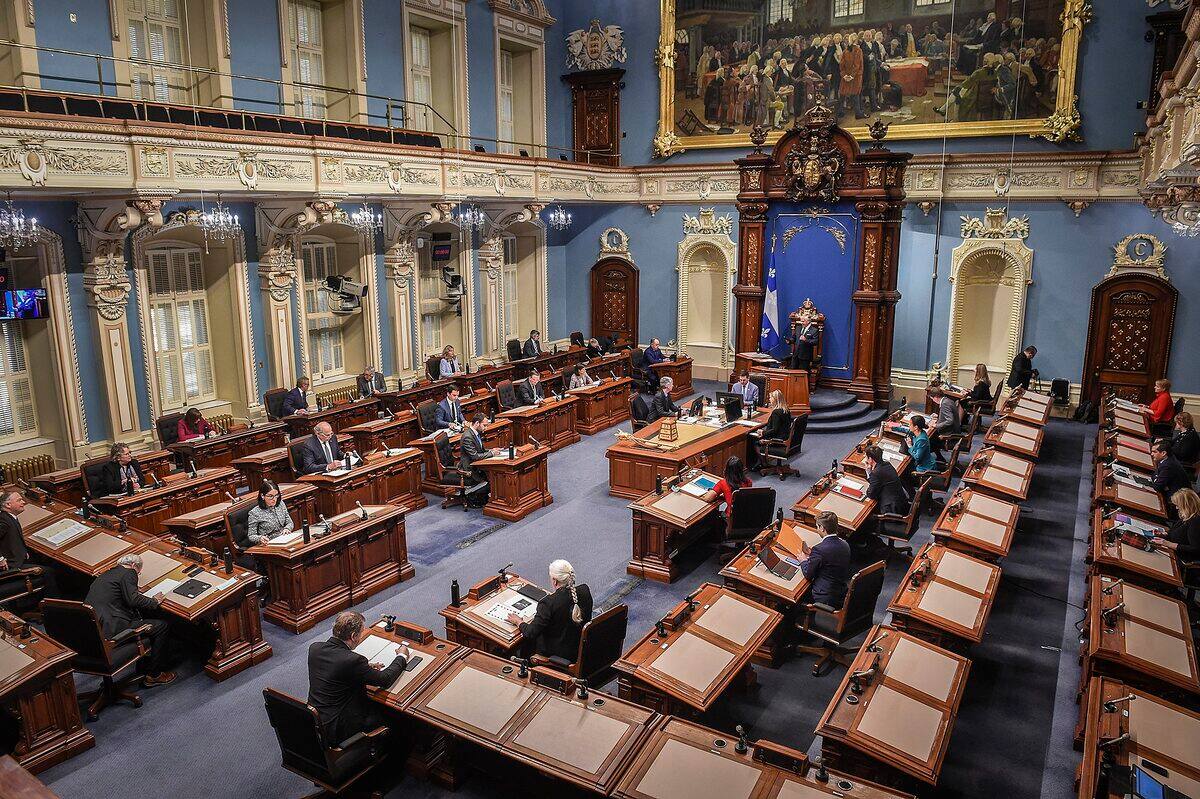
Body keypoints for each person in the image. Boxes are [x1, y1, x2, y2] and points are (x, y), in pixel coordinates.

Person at [307, 611, 409, 744]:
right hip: (340, 727)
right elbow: (385, 679)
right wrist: (402, 656)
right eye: (361, 633)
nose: (361, 637)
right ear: (353, 636)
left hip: (317, 720)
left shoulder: (315, 649)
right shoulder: (352, 661)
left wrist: (365, 668)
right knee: (399, 716)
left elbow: (334, 667)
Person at [85, 554, 175, 686]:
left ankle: (144, 665)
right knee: (162, 626)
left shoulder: (105, 575)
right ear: (133, 565)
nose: (137, 575)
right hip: (115, 629)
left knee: (142, 619)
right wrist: (154, 601)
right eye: (138, 573)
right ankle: (154, 675)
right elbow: (133, 599)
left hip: (98, 630)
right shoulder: (129, 572)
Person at [507, 559, 593, 662]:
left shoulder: (548, 603)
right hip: (578, 647)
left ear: (554, 581)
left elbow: (530, 633)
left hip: (557, 655)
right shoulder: (584, 590)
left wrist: (518, 621)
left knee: (524, 644)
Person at [0, 491, 55, 601]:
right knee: (49, 571)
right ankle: (53, 604)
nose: (23, 502)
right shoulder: (4, 520)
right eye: (19, 500)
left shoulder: (9, 517)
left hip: (19, 557)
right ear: (8, 505)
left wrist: (23, 550)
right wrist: (0, 559)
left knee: (50, 561)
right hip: (13, 564)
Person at [798, 511, 851, 608]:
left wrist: (803, 560)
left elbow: (808, 574)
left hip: (824, 596)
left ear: (822, 528)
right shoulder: (845, 544)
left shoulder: (819, 549)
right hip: (840, 592)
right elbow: (831, 558)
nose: (817, 530)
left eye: (817, 527)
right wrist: (812, 554)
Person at [1152, 488, 1200, 562]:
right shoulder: (1187, 515)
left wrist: (1169, 544)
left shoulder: (1195, 521)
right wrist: (1164, 534)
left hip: (1180, 557)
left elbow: (1195, 548)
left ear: (1186, 505)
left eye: (1178, 505)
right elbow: (1174, 531)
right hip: (1171, 549)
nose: (1176, 508)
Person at [751, 390, 792, 470]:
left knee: (754, 441)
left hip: (777, 440)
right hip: (785, 437)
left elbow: (774, 430)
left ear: (775, 399)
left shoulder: (776, 412)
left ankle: (763, 463)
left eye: (770, 398)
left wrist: (763, 432)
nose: (769, 399)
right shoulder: (786, 409)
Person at [865, 444, 909, 516]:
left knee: (870, 517)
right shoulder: (887, 464)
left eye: (866, 458)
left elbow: (871, 494)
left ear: (870, 459)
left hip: (891, 509)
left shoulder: (876, 473)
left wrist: (869, 473)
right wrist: (870, 473)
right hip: (902, 502)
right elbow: (877, 483)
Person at [459, 413, 500, 487]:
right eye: (484, 425)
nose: (486, 428)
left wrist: (491, 450)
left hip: (477, 465)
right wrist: (492, 453)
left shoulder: (476, 433)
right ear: (477, 423)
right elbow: (475, 456)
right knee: (495, 477)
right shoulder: (467, 437)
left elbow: (480, 450)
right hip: (470, 470)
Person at [1151, 438, 1192, 506]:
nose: (1151, 454)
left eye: (1154, 452)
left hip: (1178, 499)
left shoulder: (1168, 465)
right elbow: (1154, 475)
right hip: (1174, 491)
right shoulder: (1168, 458)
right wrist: (1159, 481)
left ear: (1163, 453)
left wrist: (1158, 480)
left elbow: (1157, 487)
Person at [928, 386, 962, 456]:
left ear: (936, 397)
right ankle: (939, 457)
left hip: (950, 433)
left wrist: (936, 425)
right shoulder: (947, 400)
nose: (933, 401)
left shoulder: (944, 404)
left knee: (927, 438)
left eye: (932, 398)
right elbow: (949, 415)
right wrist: (939, 416)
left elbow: (950, 421)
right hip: (954, 429)